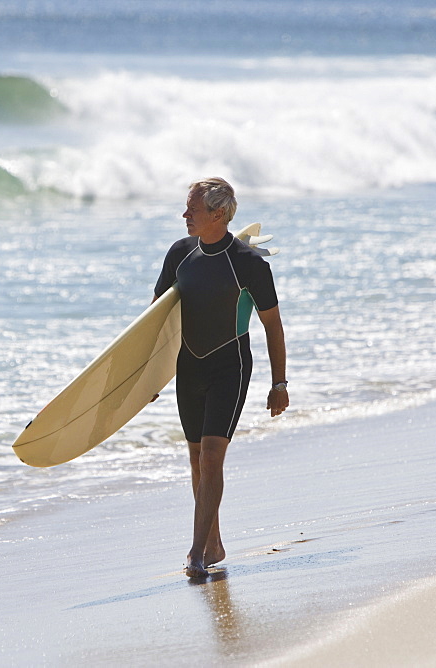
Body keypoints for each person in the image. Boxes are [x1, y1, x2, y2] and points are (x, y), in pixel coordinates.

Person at [153, 177, 288, 578]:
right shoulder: (180, 253)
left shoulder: (248, 264)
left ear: (217, 214)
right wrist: (148, 379)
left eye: (191, 210)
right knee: (197, 460)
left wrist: (279, 384)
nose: (184, 215)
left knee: (212, 456)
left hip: (230, 366)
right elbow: (156, 320)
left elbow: (273, 326)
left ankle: (196, 552)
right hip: (188, 366)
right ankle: (214, 542)